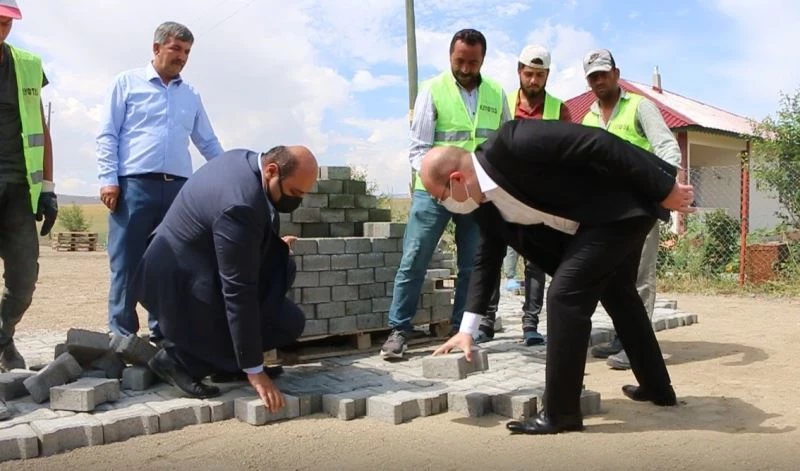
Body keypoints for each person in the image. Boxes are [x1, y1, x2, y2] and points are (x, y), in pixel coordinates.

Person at [425, 118, 694, 434]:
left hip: (623, 205)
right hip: (597, 223)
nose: (445, 205)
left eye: (441, 197)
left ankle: (561, 413)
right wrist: (467, 330)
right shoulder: (485, 206)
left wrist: (664, 189)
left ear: (456, 179)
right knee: (618, 292)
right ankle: (657, 387)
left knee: (564, 297)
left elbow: (598, 142)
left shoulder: (512, 142)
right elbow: (486, 261)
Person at [135, 145, 317, 413]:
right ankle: (177, 361)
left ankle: (228, 365)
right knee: (286, 323)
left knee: (282, 269)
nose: (297, 201)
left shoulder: (243, 162)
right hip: (179, 286)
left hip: (193, 268)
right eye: (294, 192)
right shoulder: (240, 203)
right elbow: (238, 291)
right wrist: (254, 370)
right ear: (271, 170)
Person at [380, 28, 510, 359]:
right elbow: (418, 149)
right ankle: (399, 330)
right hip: (434, 193)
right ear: (450, 56)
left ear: (483, 59)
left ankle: (460, 330)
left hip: (477, 194)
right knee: (415, 257)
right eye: (459, 61)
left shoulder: (496, 93)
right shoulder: (432, 90)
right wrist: (441, 185)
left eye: (473, 62)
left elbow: (504, 145)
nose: (465, 68)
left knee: (473, 264)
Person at [96, 21, 223, 344]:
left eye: (187, 52)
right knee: (127, 262)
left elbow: (207, 142)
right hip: (133, 187)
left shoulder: (190, 95)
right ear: (156, 48)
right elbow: (108, 134)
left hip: (179, 191)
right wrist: (108, 179)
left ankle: (164, 334)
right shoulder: (126, 83)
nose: (182, 57)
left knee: (169, 264)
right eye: (176, 49)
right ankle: (122, 337)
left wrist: (229, 173)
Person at [580, 49, 682, 370]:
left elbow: (667, 147)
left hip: (640, 206)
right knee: (613, 276)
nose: (599, 81)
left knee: (640, 275)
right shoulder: (589, 118)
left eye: (603, 74)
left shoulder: (640, 107)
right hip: (607, 212)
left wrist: (663, 189)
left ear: (616, 74)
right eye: (593, 77)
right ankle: (623, 335)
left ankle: (637, 345)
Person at [478, 44, 573, 346]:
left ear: (547, 75)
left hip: (540, 198)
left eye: (539, 75)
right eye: (529, 74)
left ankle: (530, 324)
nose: (533, 80)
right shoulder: (503, 102)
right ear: (519, 71)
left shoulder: (560, 109)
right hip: (503, 193)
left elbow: (567, 153)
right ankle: (486, 321)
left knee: (536, 261)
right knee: (492, 254)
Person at [0, 0, 57, 374]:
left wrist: (48, 188)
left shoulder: (28, 65)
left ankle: (3, 336)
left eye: (7, 23)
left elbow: (40, 127)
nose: (2, 29)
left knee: (23, 281)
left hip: (19, 189)